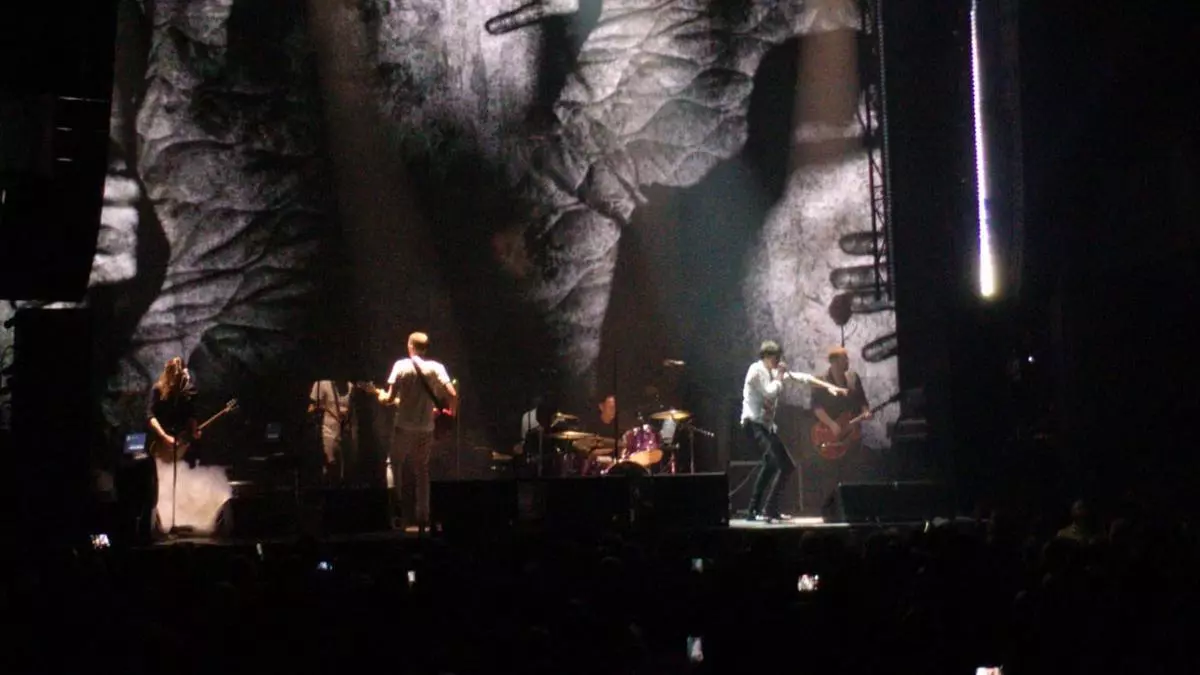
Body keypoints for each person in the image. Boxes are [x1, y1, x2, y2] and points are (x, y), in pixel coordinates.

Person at [741, 340, 840, 522]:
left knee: (787, 466)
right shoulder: (755, 370)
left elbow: (802, 378)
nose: (779, 361)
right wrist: (779, 375)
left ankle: (770, 509)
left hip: (766, 427)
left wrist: (828, 386)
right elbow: (769, 392)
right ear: (767, 356)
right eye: (776, 358)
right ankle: (752, 510)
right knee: (772, 462)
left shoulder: (773, 372)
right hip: (753, 423)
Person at [378, 332, 457, 531]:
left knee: (394, 463)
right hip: (426, 428)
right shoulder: (437, 367)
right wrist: (451, 415)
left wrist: (380, 396)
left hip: (403, 426)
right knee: (422, 469)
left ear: (410, 346)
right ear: (426, 348)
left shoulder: (401, 366)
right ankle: (423, 516)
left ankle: (396, 508)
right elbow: (452, 394)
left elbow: (389, 398)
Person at [147, 357, 231, 533]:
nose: (183, 379)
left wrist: (194, 429)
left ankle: (180, 515)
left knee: (180, 477)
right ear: (171, 375)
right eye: (179, 377)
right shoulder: (157, 390)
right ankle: (158, 519)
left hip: (181, 442)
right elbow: (150, 416)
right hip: (162, 442)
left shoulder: (187, 393)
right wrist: (164, 436)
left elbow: (191, 415)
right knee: (159, 481)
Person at [811, 346, 872, 450]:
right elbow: (816, 407)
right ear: (834, 362)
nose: (848, 361)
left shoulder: (853, 377)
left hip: (852, 432)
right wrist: (832, 424)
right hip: (831, 434)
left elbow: (862, 400)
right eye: (844, 359)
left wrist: (866, 411)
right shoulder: (820, 381)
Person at [308, 380, 354, 477]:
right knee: (331, 466)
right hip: (328, 431)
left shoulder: (350, 386)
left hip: (344, 432)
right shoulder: (322, 383)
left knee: (346, 469)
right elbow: (312, 406)